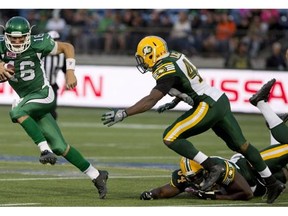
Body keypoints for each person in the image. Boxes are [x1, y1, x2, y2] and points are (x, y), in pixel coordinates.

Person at [101, 35, 285, 203]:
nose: (142, 61)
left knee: (170, 137)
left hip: (207, 104)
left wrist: (124, 113)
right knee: (243, 146)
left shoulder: (164, 67)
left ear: (151, 53)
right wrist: (176, 99)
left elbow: (151, 99)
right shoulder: (173, 56)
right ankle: (272, 183)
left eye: (142, 56)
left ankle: (213, 167)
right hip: (219, 100)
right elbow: (185, 82)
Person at [0, 16, 108, 199]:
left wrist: (71, 72)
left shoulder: (38, 43)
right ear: (6, 36)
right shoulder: (2, 46)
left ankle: (43, 150)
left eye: (21, 38)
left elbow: (68, 47)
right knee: (60, 146)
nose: (17, 42)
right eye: (13, 38)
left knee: (16, 110)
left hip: (43, 95)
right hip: (29, 100)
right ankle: (97, 175)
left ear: (28, 35)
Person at [139, 93, 288, 201]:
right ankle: (274, 123)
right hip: (259, 183)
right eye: (193, 178)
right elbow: (169, 189)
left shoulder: (219, 169)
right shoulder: (190, 173)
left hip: (249, 169)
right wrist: (152, 194)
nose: (197, 181)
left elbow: (246, 193)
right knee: (284, 174)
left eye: (198, 176)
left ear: (206, 169)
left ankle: (268, 114)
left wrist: (215, 196)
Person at [43, 30, 66, 120]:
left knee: (52, 111)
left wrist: (67, 79)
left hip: (52, 86)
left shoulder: (61, 56)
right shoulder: (40, 54)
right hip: (38, 87)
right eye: (53, 40)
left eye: (57, 40)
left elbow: (65, 69)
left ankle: (51, 132)